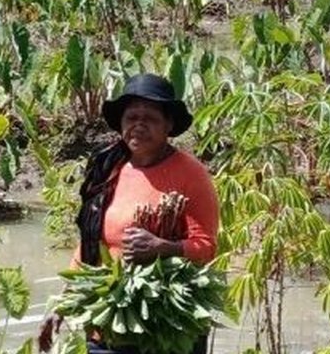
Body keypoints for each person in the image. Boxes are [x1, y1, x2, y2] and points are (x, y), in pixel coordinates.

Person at [39, 73, 219, 354]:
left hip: (166, 327)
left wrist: (165, 248)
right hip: (109, 321)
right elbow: (90, 242)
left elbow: (206, 247)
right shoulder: (108, 167)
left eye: (150, 118)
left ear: (168, 125)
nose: (139, 125)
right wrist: (60, 305)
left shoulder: (190, 174)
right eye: (131, 117)